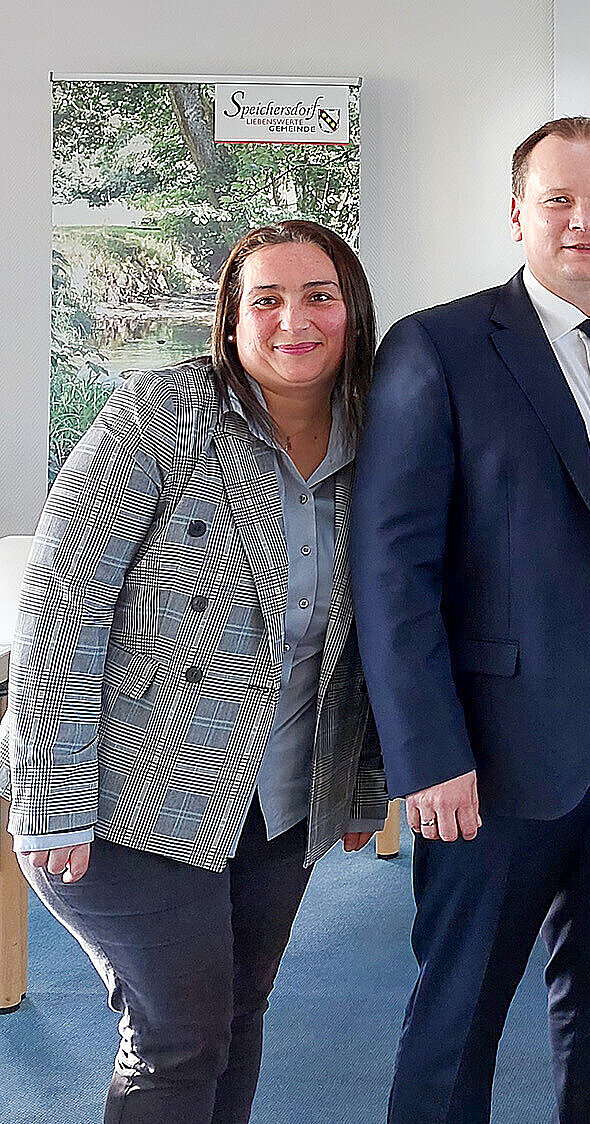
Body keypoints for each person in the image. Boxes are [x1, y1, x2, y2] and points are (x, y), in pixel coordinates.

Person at [353, 117, 590, 1124]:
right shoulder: (438, 347)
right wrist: (427, 753)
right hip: (493, 755)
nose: (583, 221)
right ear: (516, 215)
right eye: (558, 200)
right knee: (459, 1017)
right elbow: (393, 571)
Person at [3, 219, 386, 1124]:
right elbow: (62, 602)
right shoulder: (162, 414)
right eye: (267, 300)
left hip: (277, 801)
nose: (294, 319)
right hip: (129, 791)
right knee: (178, 1034)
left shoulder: (380, 438)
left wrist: (359, 788)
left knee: (237, 1015)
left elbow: (369, 644)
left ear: (354, 313)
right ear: (231, 318)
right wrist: (50, 796)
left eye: (319, 296)